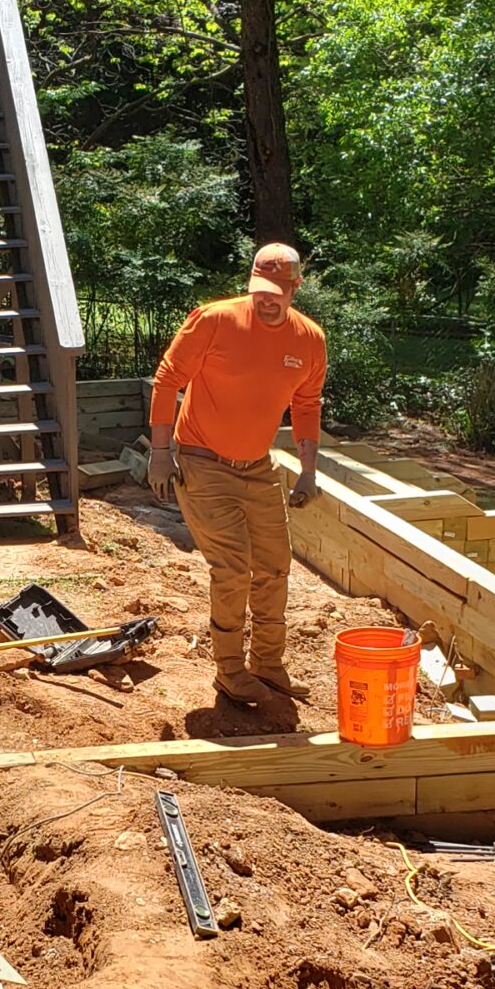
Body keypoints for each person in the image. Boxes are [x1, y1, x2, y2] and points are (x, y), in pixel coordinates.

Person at [146, 243, 326, 705]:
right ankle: (229, 670)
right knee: (232, 569)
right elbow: (168, 380)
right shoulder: (214, 320)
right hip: (201, 461)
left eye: (278, 293)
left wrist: (308, 471)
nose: (267, 300)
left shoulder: (309, 340)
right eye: (260, 290)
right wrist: (160, 452)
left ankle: (267, 665)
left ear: (295, 289)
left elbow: (306, 404)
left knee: (274, 567)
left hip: (257, 467)